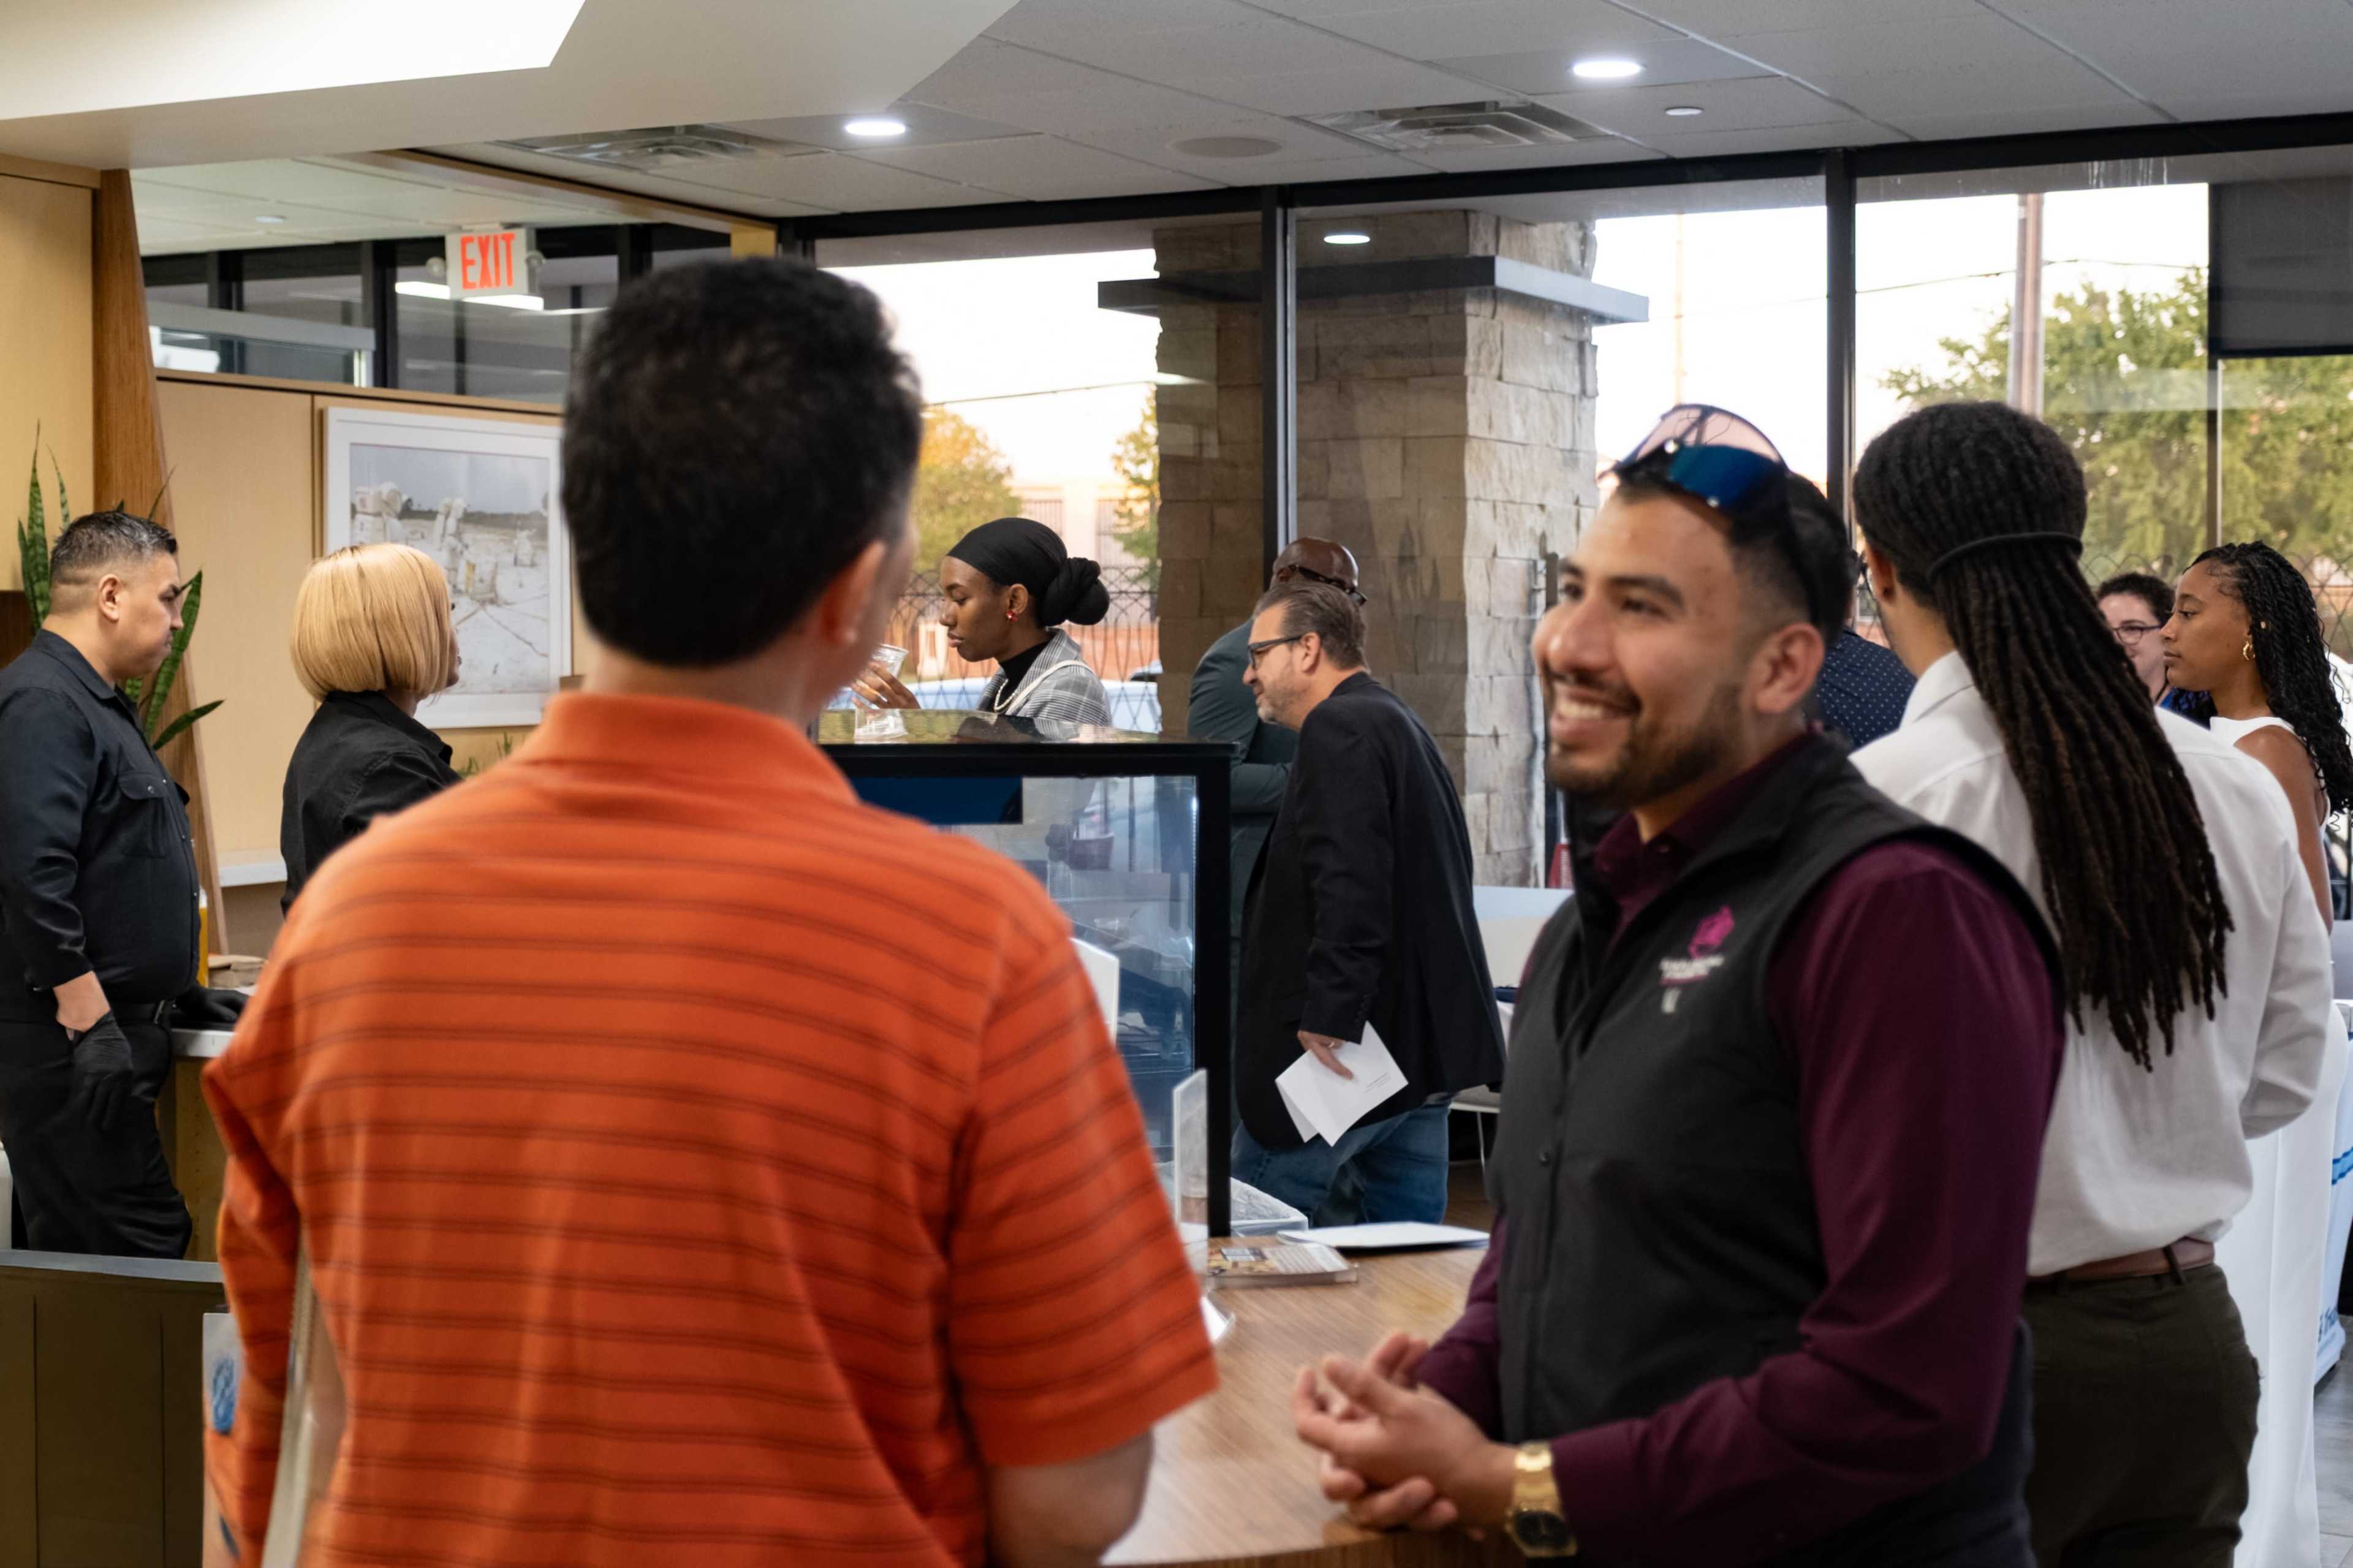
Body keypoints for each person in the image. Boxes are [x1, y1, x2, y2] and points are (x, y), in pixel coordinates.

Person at [202, 260, 1216, 1567]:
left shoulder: (351, 922)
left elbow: (273, 1438)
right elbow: (1070, 1498)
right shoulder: (974, 947)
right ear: (855, 596)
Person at [1292, 405, 2064, 1564]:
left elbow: (1908, 1387)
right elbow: (1541, 1252)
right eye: (1573, 590)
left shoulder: (1894, 912)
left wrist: (1523, 1484)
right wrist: (1445, 1402)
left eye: (1640, 607)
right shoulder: (1595, 923)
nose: (1569, 641)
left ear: (1784, 663)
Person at [1847, 401, 2333, 1567]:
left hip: (1956, 1343)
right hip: (2182, 1343)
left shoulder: (1883, 796)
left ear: (1881, 569)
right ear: (2071, 548)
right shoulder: (2232, 787)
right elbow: (2280, 1078)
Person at [1229, 580, 1502, 1225]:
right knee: (1408, 1265)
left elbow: (1351, 878)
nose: (1247, 675)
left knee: (1251, 1235)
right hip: (1413, 1054)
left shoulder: (1340, 726)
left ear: (1307, 649)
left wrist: (1333, 1010)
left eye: (1258, 654)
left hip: (1347, 1055)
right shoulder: (1390, 716)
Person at [0, 510, 208, 1258]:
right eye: (170, 599)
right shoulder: (45, 703)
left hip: (110, 1032)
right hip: (70, 1046)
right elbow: (33, 871)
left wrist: (177, 990)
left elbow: (113, 867)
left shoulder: (94, 701)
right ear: (112, 596)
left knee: (98, 1258)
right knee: (131, 1255)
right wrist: (90, 1020)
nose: (178, 620)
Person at [1187, 537, 1363, 1009]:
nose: (1345, 603)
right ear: (1285, 579)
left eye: (1351, 593)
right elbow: (1214, 776)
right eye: (1335, 587)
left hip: (1295, 883)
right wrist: (1316, 778)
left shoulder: (1314, 661)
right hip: (1244, 892)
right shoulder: (1235, 660)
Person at [2164, 541, 2353, 923]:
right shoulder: (2232, 736)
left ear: (2253, 627)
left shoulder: (2265, 749)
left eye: (2187, 613)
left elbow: (2312, 917)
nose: (2167, 631)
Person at [278, 542, 463, 910]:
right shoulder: (390, 769)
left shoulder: (334, 735)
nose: (454, 633)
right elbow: (437, 921)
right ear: (405, 631)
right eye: (446, 614)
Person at [855, 515, 1112, 725]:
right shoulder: (1010, 682)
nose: (945, 618)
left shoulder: (1068, 691)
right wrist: (915, 725)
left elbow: (1026, 789)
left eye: (959, 599)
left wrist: (919, 731)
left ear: (1014, 601)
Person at [2097, 570, 2175, 702]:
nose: (2115, 642)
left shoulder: (2200, 714)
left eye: (2131, 628)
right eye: (2104, 629)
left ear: (2167, 635)